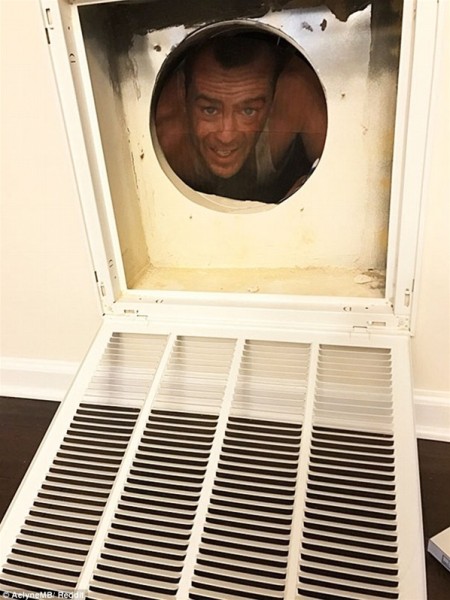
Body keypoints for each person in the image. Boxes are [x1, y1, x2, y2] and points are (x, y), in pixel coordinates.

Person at [154, 33, 327, 203]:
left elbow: (337, 178)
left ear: (273, 100)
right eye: (209, 110)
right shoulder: (162, 132)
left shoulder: (297, 95)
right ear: (183, 97)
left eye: (248, 111)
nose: (226, 136)